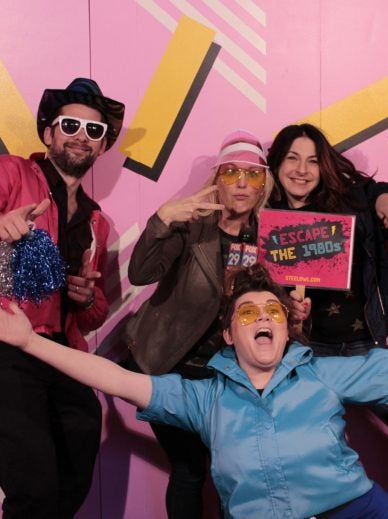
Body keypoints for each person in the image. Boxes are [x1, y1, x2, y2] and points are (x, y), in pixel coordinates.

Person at [0, 263, 388, 519]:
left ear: (286, 327)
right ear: (230, 333)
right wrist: (29, 343)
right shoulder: (202, 397)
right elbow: (119, 380)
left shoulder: (325, 373)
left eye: (273, 311)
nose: (262, 317)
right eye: (248, 311)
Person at [0, 77, 125, 518]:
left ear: (101, 147)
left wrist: (83, 298)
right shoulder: (11, 172)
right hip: (0, 345)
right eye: (70, 124)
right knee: (34, 485)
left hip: (59, 356)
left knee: (74, 471)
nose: (82, 136)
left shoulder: (98, 222)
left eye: (94, 131)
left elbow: (94, 312)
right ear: (49, 133)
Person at [267, 123, 388, 518]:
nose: (302, 169)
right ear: (276, 164)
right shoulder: (262, 220)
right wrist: (283, 311)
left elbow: (377, 191)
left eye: (313, 160)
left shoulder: (349, 202)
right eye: (292, 158)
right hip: (303, 361)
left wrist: (386, 195)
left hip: (364, 352)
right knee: (296, 463)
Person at [123, 130, 275, 518]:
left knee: (233, 470)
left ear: (263, 186)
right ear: (216, 181)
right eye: (230, 173)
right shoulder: (191, 228)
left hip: (230, 377)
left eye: (253, 175)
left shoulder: (270, 239)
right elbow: (140, 273)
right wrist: (161, 220)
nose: (242, 184)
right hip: (173, 370)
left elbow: (269, 307)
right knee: (189, 469)